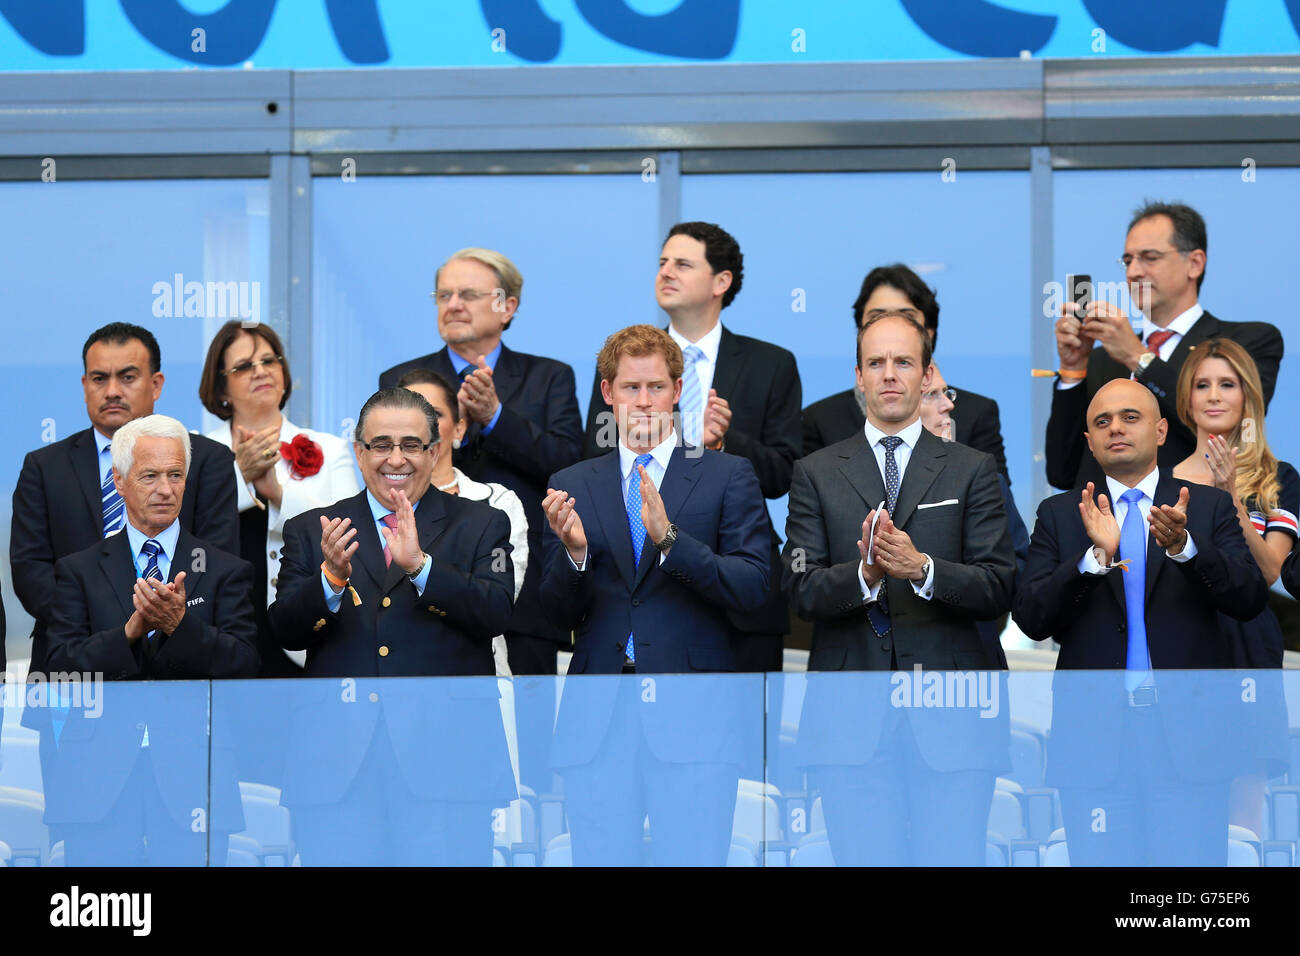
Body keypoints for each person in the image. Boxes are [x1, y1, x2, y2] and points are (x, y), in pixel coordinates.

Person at [782, 313, 1016, 865]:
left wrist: (924, 569)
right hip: (849, 724)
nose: (890, 375)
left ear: (928, 374)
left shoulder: (974, 469)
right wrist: (864, 575)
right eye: (876, 363)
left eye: (904, 362)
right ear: (858, 377)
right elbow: (799, 588)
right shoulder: (814, 472)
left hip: (956, 721)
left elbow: (1000, 585)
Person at [1013, 378, 1269, 865]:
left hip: (1190, 744)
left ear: (1160, 430)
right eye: (1102, 421)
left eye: (1130, 417)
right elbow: (1030, 617)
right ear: (1088, 441)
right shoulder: (1060, 514)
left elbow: (1249, 598)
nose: (1116, 428)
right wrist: (1091, 559)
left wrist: (1185, 549)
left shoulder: (1207, 505)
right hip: (1094, 744)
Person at [541, 324, 769, 865]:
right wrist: (574, 554)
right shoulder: (572, 480)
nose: (644, 402)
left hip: (695, 719)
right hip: (598, 721)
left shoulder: (727, 474)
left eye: (656, 388)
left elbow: (756, 587)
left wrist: (671, 542)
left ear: (678, 389)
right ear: (607, 394)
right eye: (630, 388)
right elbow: (549, 613)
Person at [267, 387, 516, 865]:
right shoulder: (313, 528)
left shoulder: (483, 522)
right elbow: (283, 631)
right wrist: (330, 580)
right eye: (380, 445)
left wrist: (422, 567)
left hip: (449, 771)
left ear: (434, 451)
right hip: (337, 772)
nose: (394, 458)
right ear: (359, 452)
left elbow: (498, 612)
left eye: (410, 445)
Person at [378, 247, 582, 796]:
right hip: (428, 577)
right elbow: (390, 469)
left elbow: (567, 463)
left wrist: (496, 419)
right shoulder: (402, 379)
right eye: (444, 294)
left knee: (532, 745)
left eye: (467, 294)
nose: (453, 304)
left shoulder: (548, 378)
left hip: (527, 586)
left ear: (507, 306)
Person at [583, 222, 800, 677]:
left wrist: (724, 442)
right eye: (662, 262)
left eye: (682, 263)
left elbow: (784, 475)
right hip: (636, 599)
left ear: (721, 282)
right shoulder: (624, 364)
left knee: (738, 743)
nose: (666, 272)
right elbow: (597, 457)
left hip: (741, 605)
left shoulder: (771, 364)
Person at [42, 414, 258, 865]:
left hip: (194, 779)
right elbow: (60, 665)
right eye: (150, 476)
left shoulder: (222, 569)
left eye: (176, 475)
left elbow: (244, 664)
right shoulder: (78, 570)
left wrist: (182, 627)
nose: (165, 488)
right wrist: (129, 633)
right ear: (119, 481)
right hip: (96, 782)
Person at [11, 323, 238, 677]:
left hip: (185, 668)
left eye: (128, 377)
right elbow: (30, 571)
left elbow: (214, 559)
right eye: (100, 378)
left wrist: (161, 622)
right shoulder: (44, 466)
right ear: (85, 386)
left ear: (157, 384)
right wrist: (116, 630)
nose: (112, 391)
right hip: (73, 670)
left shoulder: (207, 459)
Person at [1045, 201, 1284, 490]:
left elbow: (1238, 435)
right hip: (1103, 526)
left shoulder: (1246, 343)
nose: (1133, 271)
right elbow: (1061, 472)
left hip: (1194, 521)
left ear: (1194, 263)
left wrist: (1138, 358)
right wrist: (1072, 371)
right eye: (1127, 260)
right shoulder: (1102, 360)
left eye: (1149, 257)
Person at [1170, 338, 1295, 834]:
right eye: (1203, 385)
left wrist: (1230, 497)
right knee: (1177, 804)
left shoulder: (1277, 479)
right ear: (1186, 400)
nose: (1215, 396)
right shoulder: (1161, 479)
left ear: (1247, 398)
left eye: (1228, 384)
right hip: (1177, 639)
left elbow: (1268, 572)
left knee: (1243, 814)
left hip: (1246, 646)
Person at [200, 320, 358, 677]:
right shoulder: (198, 451)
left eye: (270, 361)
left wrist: (278, 493)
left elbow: (352, 532)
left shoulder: (330, 449)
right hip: (221, 626)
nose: (260, 372)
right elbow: (186, 532)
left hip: (303, 624)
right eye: (243, 366)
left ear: (284, 374)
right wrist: (238, 476)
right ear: (221, 386)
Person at [801, 263, 1010, 483]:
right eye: (876, 317)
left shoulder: (974, 414)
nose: (891, 326)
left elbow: (996, 502)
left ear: (929, 332)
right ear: (860, 333)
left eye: (906, 316)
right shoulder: (821, 419)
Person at [397, 367, 529, 678]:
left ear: (459, 429)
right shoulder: (365, 507)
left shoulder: (496, 502)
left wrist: (419, 567)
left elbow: (496, 599)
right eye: (410, 414)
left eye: (433, 414)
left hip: (476, 681)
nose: (421, 428)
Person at [921, 363, 1030, 663]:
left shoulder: (986, 481)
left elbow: (1018, 573)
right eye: (931, 395)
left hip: (972, 665)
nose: (949, 404)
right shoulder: (858, 478)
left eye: (946, 392)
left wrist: (929, 573)